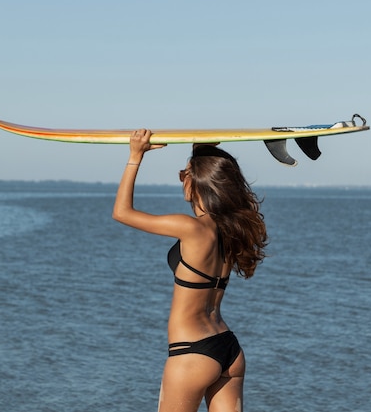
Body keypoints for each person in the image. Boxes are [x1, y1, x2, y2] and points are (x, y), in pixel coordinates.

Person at [112, 129, 267, 412]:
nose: (181, 177)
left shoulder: (191, 228)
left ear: (198, 183)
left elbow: (122, 212)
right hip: (228, 349)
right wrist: (201, 149)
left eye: (185, 173)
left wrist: (135, 157)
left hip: (191, 353)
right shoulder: (231, 230)